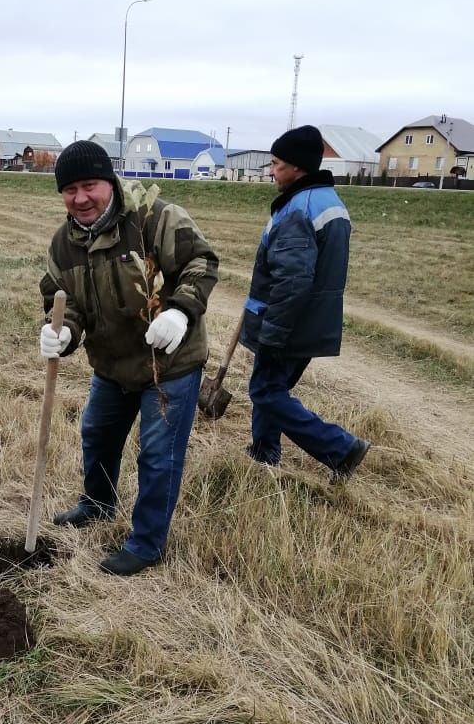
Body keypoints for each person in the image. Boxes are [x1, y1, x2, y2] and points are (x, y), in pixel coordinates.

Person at [39, 140, 218, 576]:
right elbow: (63, 301)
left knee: (157, 456)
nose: (80, 198)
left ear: (110, 183)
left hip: (170, 364)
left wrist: (180, 309)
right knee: (96, 434)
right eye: (70, 189)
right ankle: (97, 505)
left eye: (90, 185)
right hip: (113, 366)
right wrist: (61, 332)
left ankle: (146, 542)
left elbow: (202, 262)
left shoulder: (153, 219)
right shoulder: (64, 245)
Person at [239, 124, 370, 480]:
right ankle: (264, 450)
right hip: (310, 321)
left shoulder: (299, 208)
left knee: (265, 392)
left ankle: (340, 448)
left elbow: (293, 281)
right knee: (271, 388)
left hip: (290, 324)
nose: (271, 170)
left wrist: (273, 332)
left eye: (276, 163)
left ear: (297, 167)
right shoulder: (328, 201)